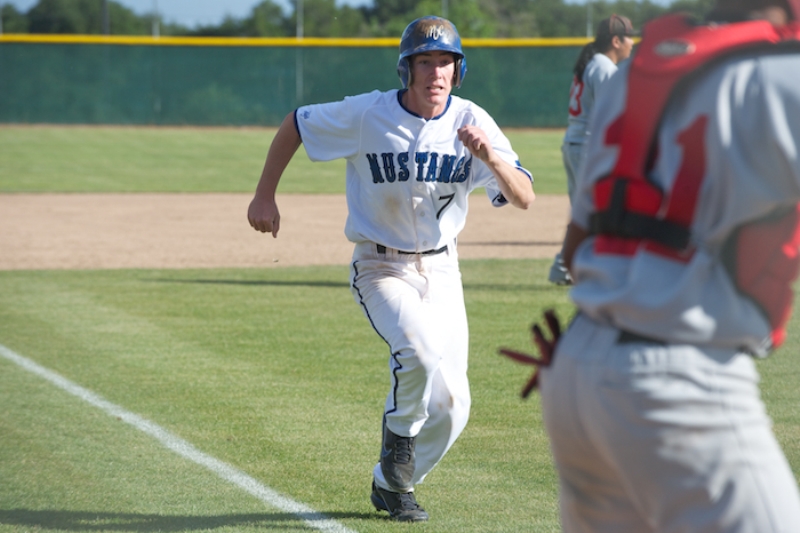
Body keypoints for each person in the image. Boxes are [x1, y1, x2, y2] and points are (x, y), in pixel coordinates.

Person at [247, 16, 535, 522]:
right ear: (407, 68)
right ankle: (398, 441)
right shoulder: (368, 114)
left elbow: (524, 197)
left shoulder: (472, 119)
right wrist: (264, 194)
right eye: (425, 61)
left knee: (454, 408)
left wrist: (490, 156)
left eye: (445, 62)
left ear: (458, 70)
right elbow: (297, 123)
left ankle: (391, 483)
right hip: (380, 266)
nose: (436, 72)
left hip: (442, 271)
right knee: (417, 351)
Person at [527, 0, 800, 529]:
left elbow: (579, 247)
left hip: (575, 368)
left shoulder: (639, 70)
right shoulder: (781, 75)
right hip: (677, 381)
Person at [548, 14, 637, 286]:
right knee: (597, 212)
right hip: (587, 147)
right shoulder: (604, 68)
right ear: (616, 41)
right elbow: (612, 116)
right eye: (629, 37)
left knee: (585, 212)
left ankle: (563, 269)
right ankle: (584, 269)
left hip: (575, 144)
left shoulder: (593, 63)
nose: (632, 43)